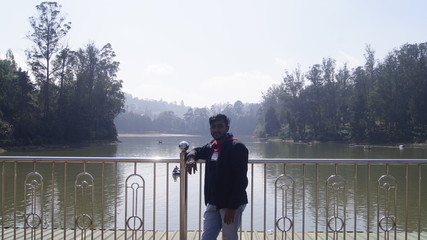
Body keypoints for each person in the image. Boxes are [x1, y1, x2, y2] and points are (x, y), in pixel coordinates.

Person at [186, 114, 248, 240]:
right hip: (213, 202)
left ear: (227, 128)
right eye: (213, 127)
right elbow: (196, 150)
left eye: (220, 126)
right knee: (207, 237)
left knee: (229, 237)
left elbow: (240, 180)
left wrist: (232, 208)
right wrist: (191, 158)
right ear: (210, 129)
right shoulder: (211, 146)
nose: (216, 130)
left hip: (230, 203)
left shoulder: (237, 147)